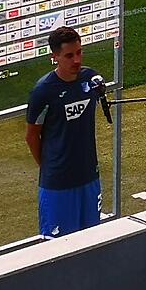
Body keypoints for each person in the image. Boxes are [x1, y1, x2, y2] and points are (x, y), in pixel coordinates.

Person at [26, 27, 106, 237]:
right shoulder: (43, 91)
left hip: (89, 177)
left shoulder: (89, 79)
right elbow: (32, 136)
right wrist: (50, 168)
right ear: (55, 57)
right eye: (69, 55)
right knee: (59, 249)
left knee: (93, 242)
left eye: (79, 52)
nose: (76, 60)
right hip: (58, 186)